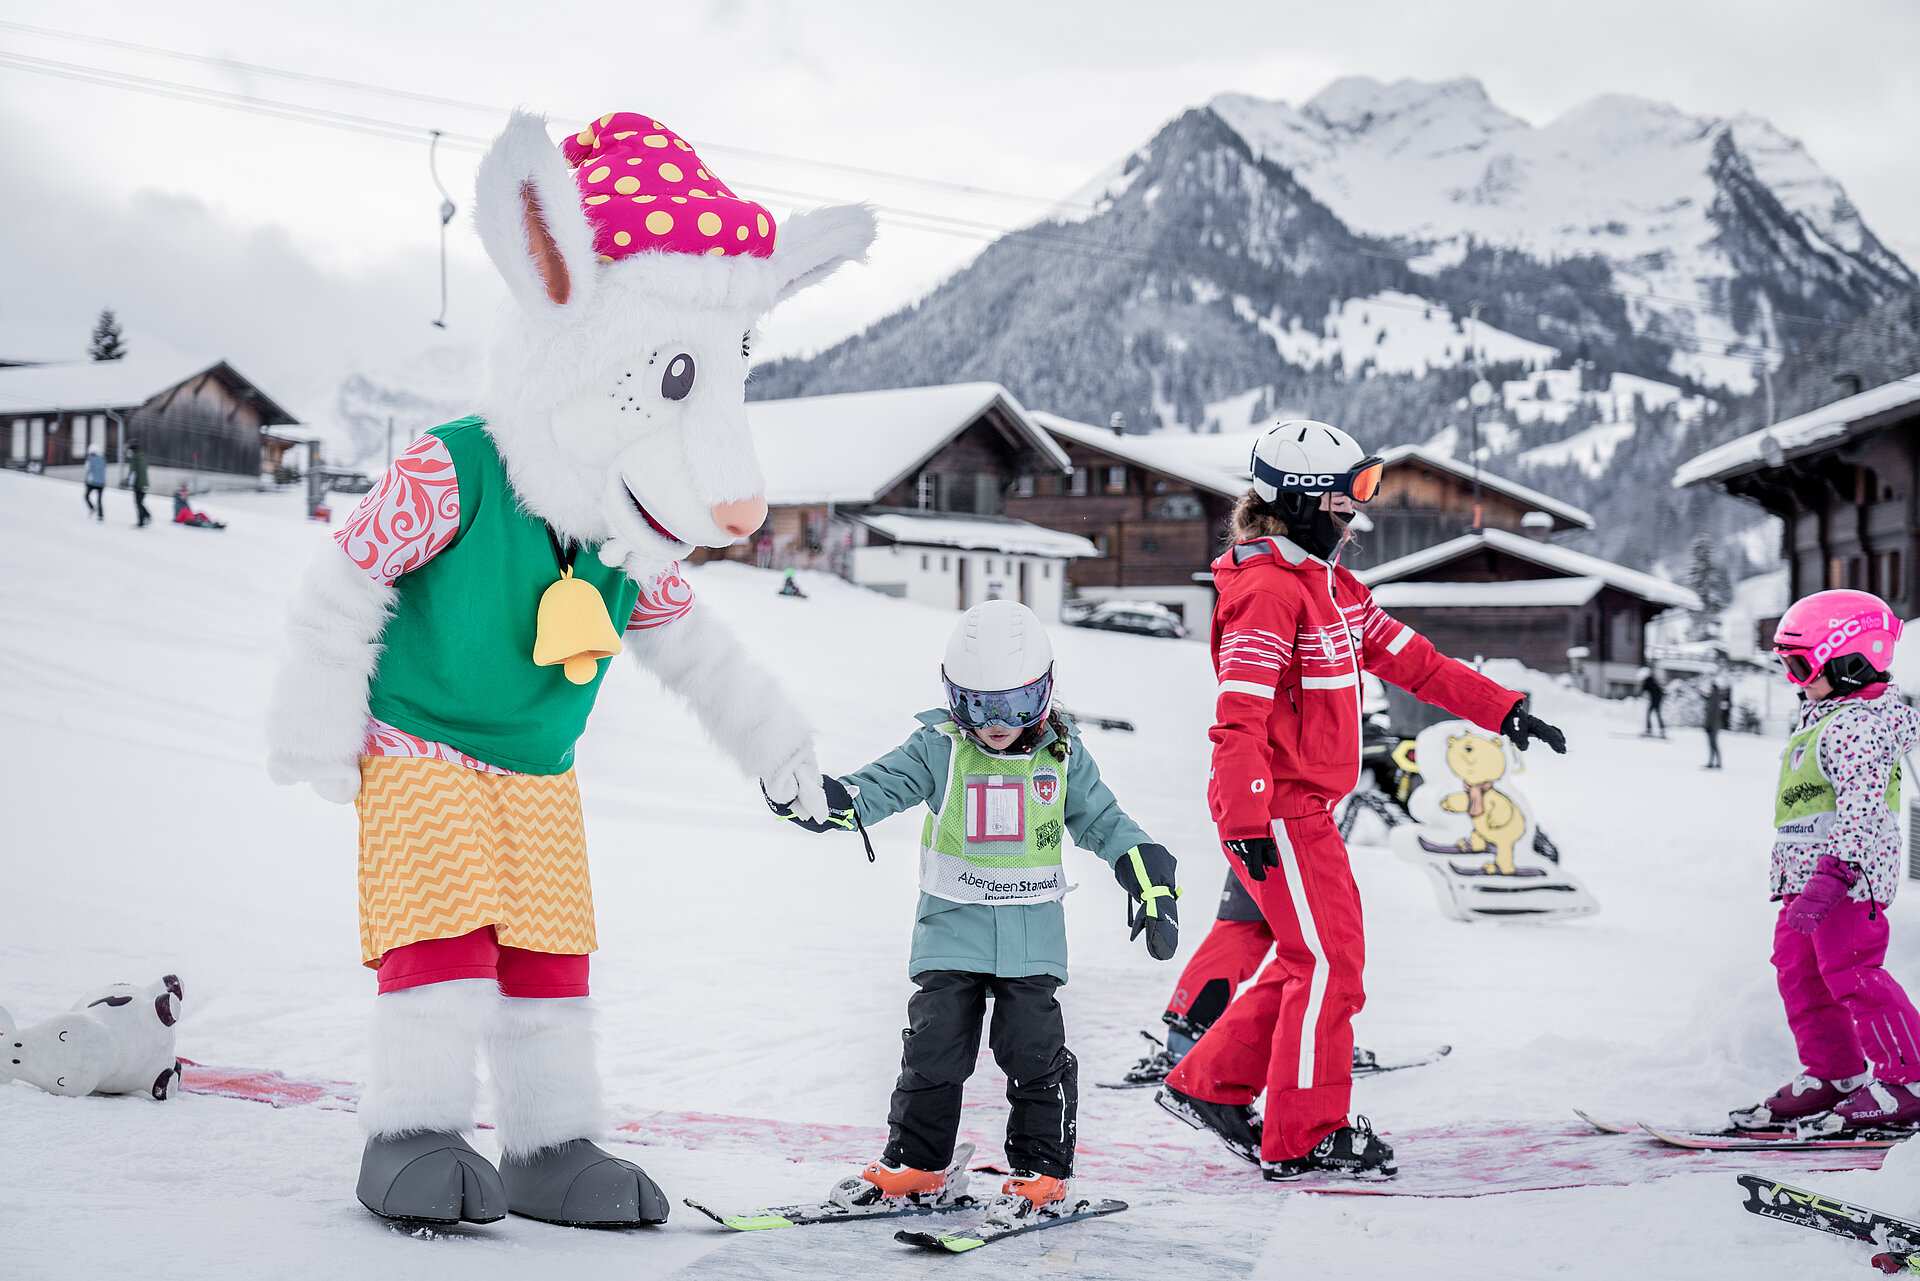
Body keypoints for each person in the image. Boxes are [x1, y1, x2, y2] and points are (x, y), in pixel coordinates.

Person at [1156, 419, 1567, 1182]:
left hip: (1301, 806)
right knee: (1332, 966)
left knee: (1307, 958)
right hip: (1277, 807)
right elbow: (1238, 716)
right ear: (1304, 499)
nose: (1359, 508)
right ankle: (1304, 1133)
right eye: (1351, 493)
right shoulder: (1270, 592)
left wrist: (1502, 708)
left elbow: (1414, 660)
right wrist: (1248, 821)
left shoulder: (1330, 585)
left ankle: (1208, 1082)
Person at [769, 600, 1180, 1227]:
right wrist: (820, 798)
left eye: (1015, 706)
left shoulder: (1061, 755)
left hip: (1030, 941)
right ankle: (917, 1164)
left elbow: (1102, 820)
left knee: (1033, 1051)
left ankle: (1042, 1173)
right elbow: (874, 789)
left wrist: (1145, 869)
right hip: (951, 934)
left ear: (1045, 692)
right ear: (952, 696)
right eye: (979, 706)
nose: (996, 724)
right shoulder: (940, 749)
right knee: (934, 1047)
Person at [1730, 590, 1920, 1135]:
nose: (1794, 678)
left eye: (1799, 665)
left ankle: (1907, 1080)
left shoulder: (1859, 725)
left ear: (1850, 660)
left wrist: (1834, 874)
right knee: (1799, 974)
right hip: (1805, 881)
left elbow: (1861, 807)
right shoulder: (1826, 716)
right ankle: (1836, 1074)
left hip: (1846, 882)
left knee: (1854, 974)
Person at [1704, 674, 1731, 769]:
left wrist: (1709, 725)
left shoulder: (1714, 698)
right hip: (1713, 725)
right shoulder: (1713, 697)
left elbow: (1713, 714)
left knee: (1713, 744)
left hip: (1713, 725)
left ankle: (1715, 762)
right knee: (1712, 745)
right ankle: (1714, 762)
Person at [127, 441, 150, 527]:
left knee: (138, 503)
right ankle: (147, 516)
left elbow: (133, 473)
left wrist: (130, 484)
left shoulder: (134, 458)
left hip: (138, 484)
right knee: (140, 502)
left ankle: (141, 521)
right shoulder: (142, 457)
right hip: (145, 483)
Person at [1640, 667, 1666, 737]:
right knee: (1657, 715)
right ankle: (1662, 730)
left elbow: (1643, 690)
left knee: (1649, 714)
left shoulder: (1648, 681)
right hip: (1658, 699)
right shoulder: (1651, 680)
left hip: (1655, 700)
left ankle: (1649, 730)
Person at [83, 444, 106, 521]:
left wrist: (86, 481)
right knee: (99, 500)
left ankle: (92, 508)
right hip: (101, 483)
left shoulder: (90, 459)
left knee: (86, 496)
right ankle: (100, 515)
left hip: (92, 482)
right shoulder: (103, 459)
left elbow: (87, 469)